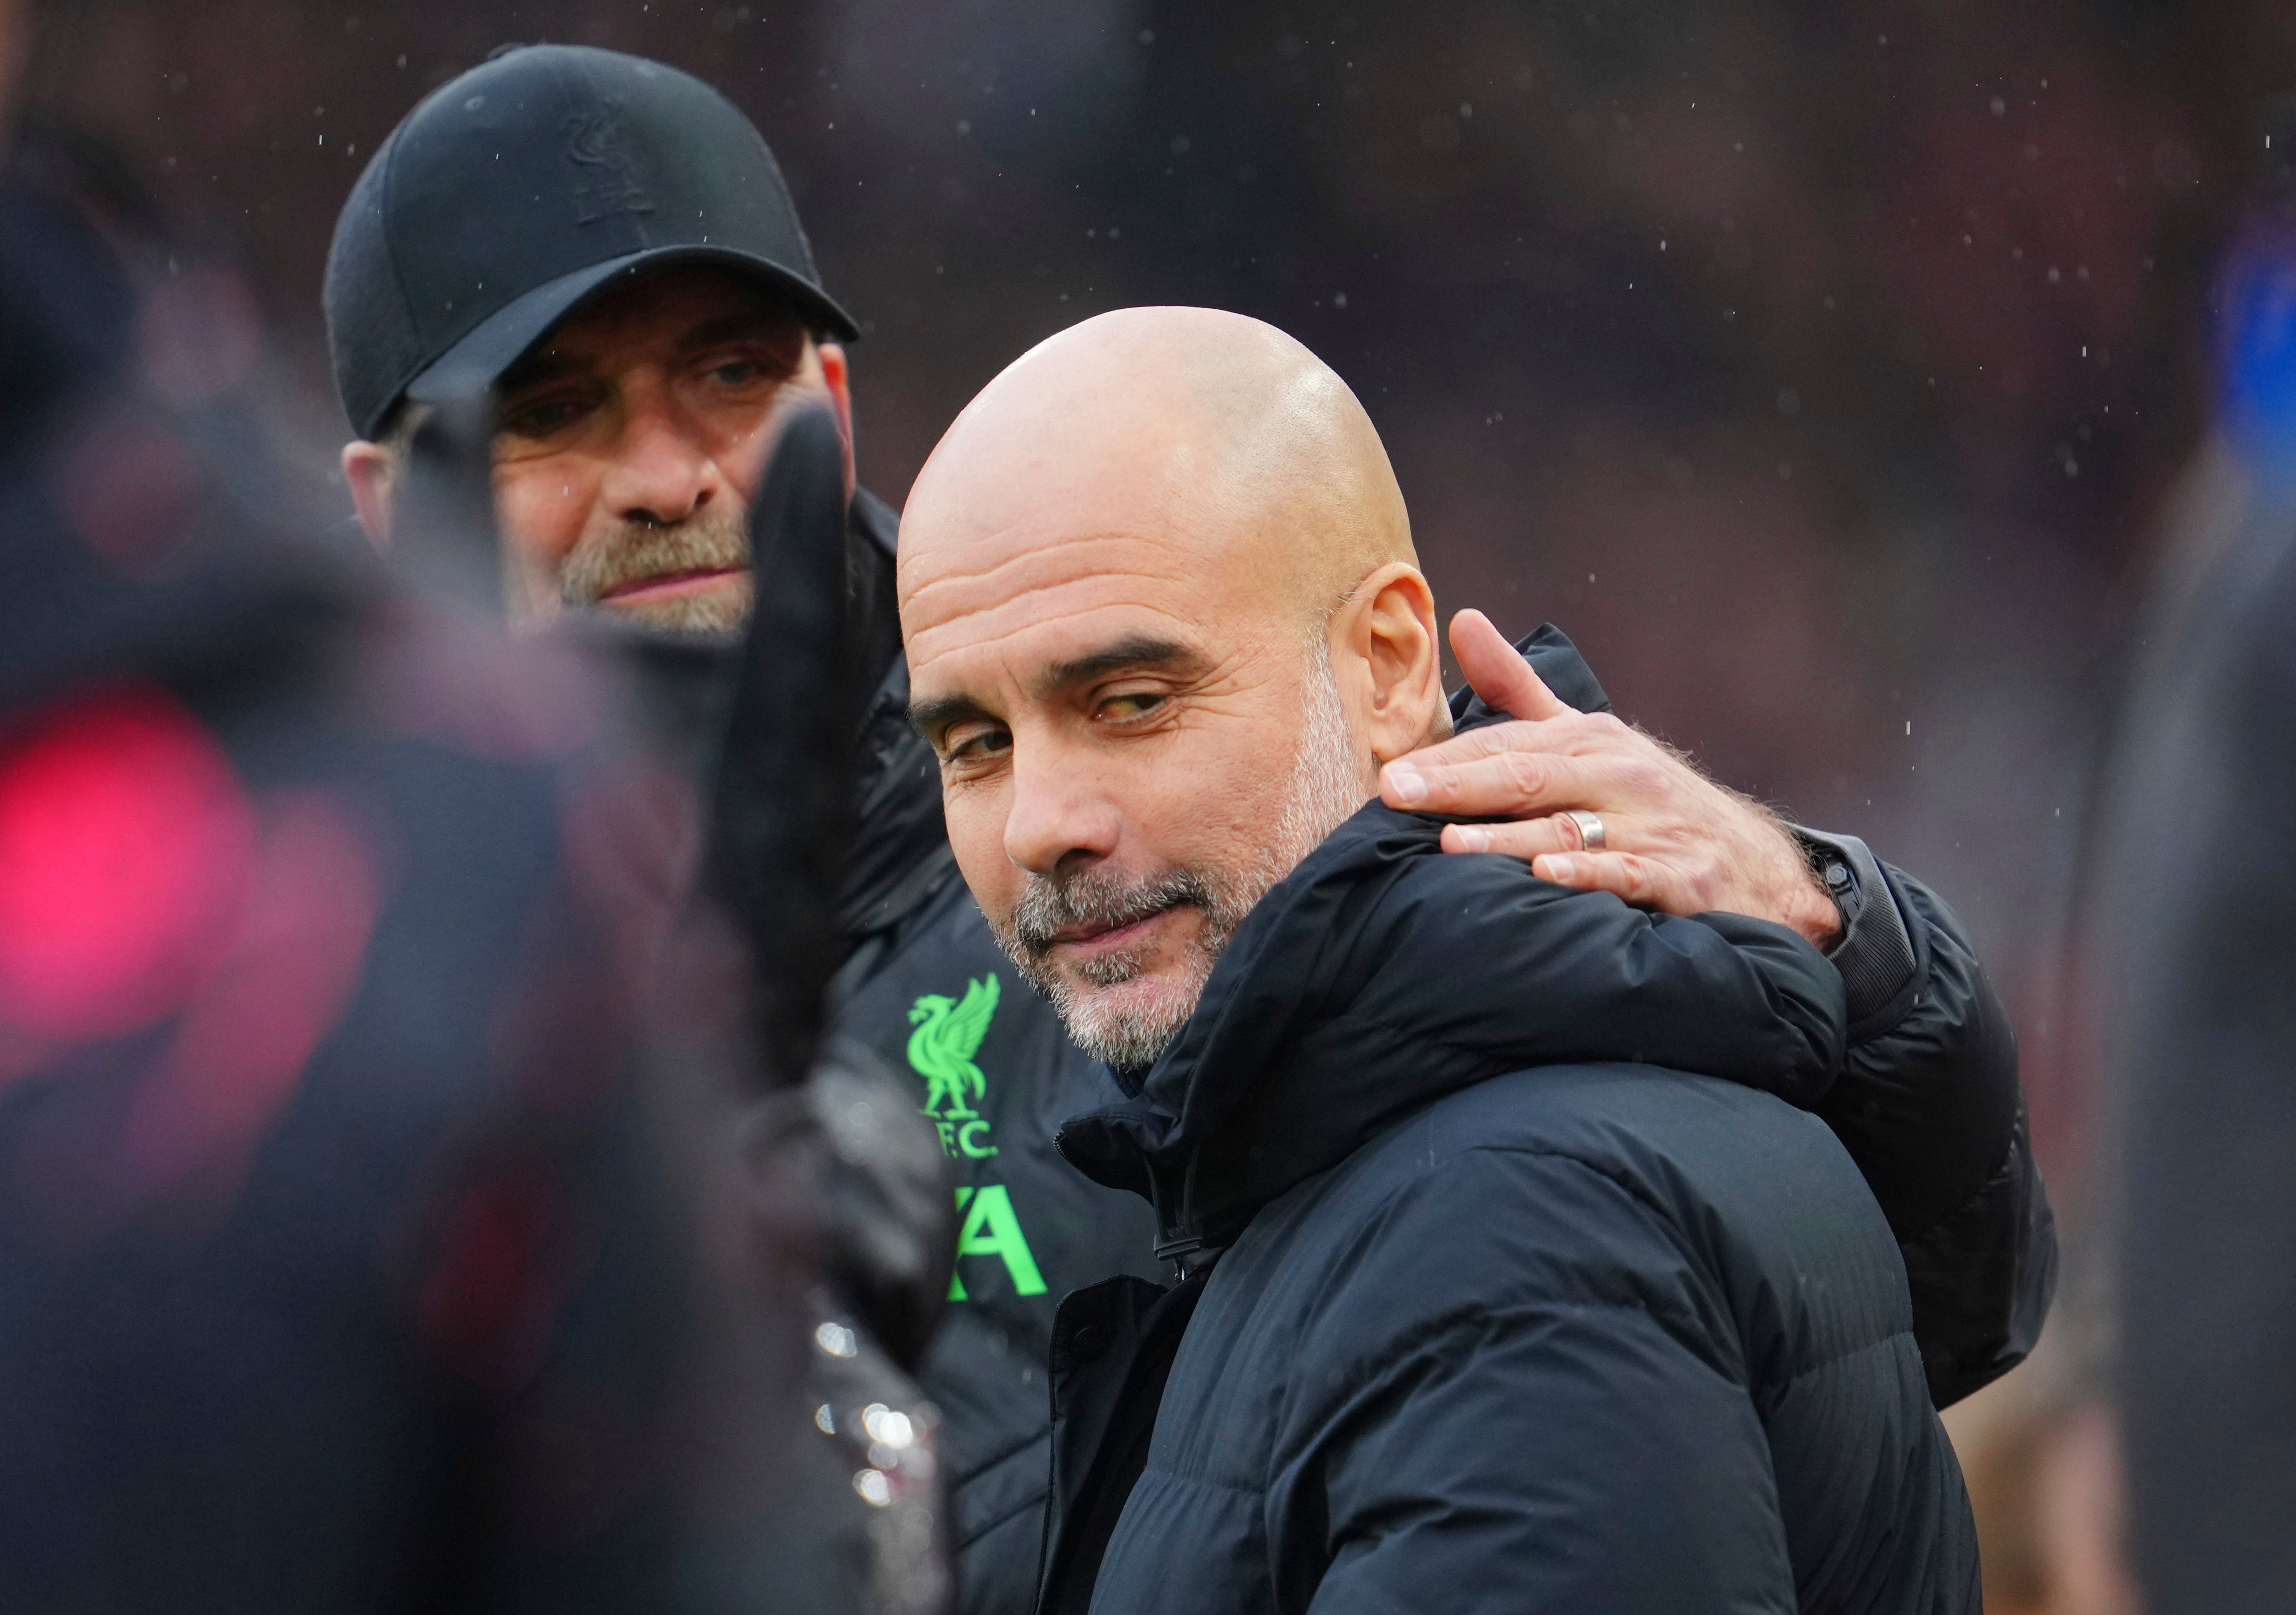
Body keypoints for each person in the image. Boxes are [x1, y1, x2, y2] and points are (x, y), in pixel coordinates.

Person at [324, 45, 2049, 1614]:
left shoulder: (1159, 896)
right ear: (382, 507)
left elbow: (1888, 1311)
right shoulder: (295, 1018)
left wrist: (1847, 940)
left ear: (833, 407)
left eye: (728, 372)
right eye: (553, 410)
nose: (668, 472)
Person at [897, 305, 1980, 1613]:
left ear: (1386, 663)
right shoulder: (1361, 1160)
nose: (1039, 826)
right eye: (973, 747)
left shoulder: (1515, 1234)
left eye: (1129, 704)